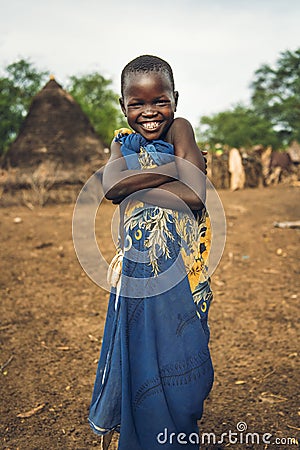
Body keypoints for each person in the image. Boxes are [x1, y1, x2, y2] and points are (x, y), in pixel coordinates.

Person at [89, 55, 214, 450]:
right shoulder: (119, 142)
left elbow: (194, 194)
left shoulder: (181, 128)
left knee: (185, 352)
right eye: (136, 104)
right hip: (139, 273)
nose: (149, 112)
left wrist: (134, 185)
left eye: (159, 101)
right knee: (141, 354)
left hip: (183, 270)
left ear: (175, 98)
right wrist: (175, 169)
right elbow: (110, 188)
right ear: (122, 104)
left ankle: (178, 432)